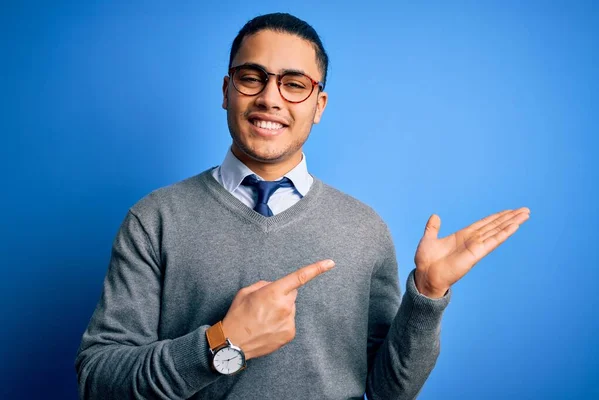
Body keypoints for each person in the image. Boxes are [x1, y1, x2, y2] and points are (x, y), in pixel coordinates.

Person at [75, 12, 530, 400]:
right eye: (252, 78)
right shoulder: (155, 219)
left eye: (294, 84)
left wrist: (427, 295)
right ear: (226, 90)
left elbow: (390, 390)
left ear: (319, 105)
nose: (270, 98)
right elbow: (97, 379)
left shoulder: (364, 229)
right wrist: (222, 343)